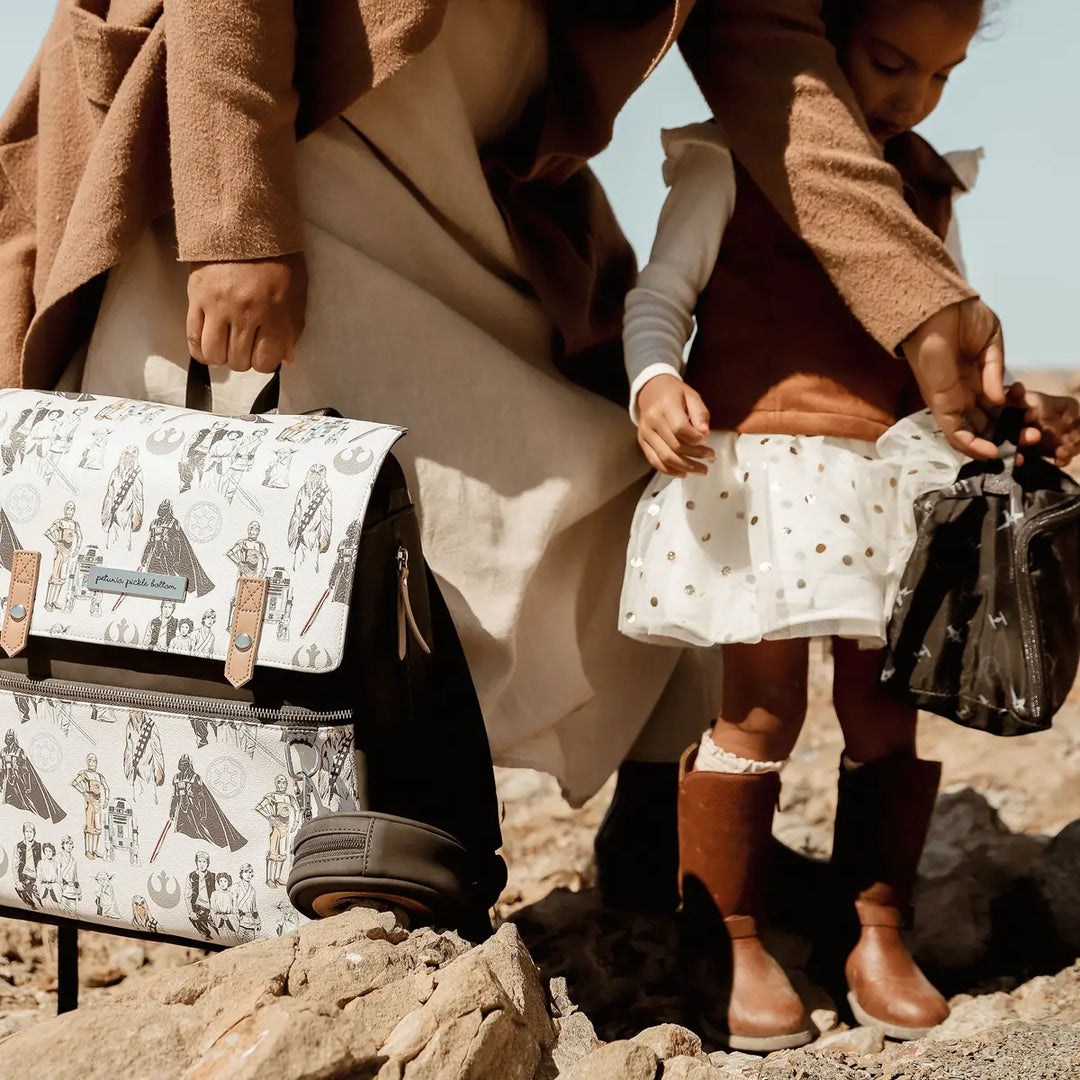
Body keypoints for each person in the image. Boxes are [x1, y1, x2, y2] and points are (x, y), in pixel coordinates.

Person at [0, 1, 1021, 909]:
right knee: (269, 527)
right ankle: (305, 855)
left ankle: (674, 860)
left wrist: (920, 292)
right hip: (282, 140)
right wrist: (234, 223)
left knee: (626, 490)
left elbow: (766, 47)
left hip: (477, 170)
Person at [620, 0, 1080, 1051]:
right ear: (811, 38)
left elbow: (950, 329)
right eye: (887, 62)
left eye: (942, 76)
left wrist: (1022, 412)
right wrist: (655, 383)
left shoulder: (924, 186)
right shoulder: (734, 159)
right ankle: (726, 937)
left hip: (885, 486)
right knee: (761, 711)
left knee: (886, 710)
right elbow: (662, 296)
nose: (912, 97)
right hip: (766, 478)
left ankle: (876, 928)